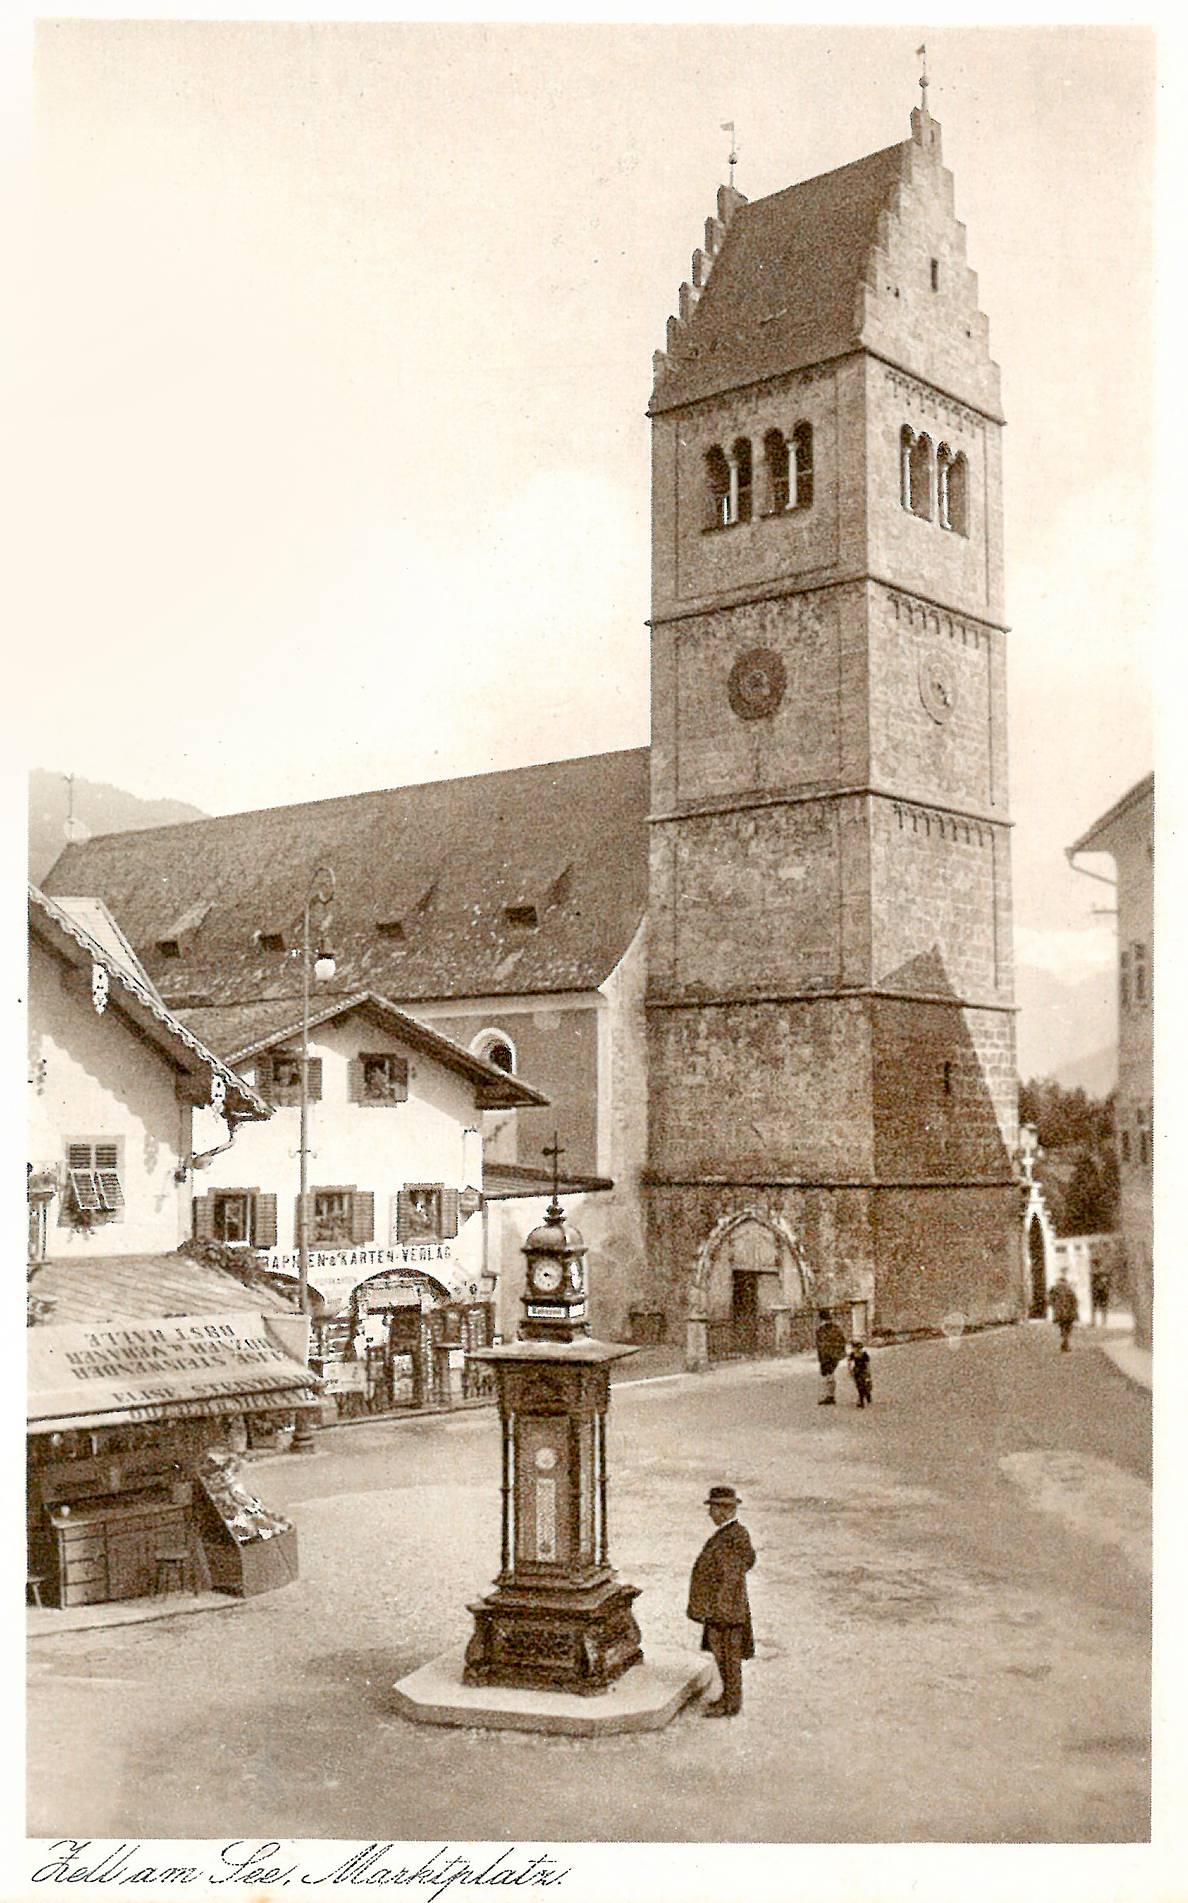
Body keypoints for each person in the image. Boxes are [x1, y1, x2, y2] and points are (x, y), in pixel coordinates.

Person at [686, 1485, 755, 1718]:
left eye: (713, 1509)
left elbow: (732, 1575)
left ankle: (730, 1704)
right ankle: (728, 1698)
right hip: (722, 1610)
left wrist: (720, 1612)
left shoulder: (734, 1537)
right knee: (724, 1656)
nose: (710, 1514)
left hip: (725, 1612)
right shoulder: (730, 1534)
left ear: (724, 1510)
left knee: (728, 1658)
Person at [815, 1309, 847, 1405]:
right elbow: (842, 1341)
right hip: (834, 1354)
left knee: (828, 1375)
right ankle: (830, 1395)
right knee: (830, 1374)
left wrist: (821, 1356)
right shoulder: (836, 1328)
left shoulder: (821, 1330)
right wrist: (841, 1353)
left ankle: (830, 1396)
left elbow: (820, 1345)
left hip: (827, 1355)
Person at [1048, 1271, 1078, 1352]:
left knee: (1062, 1328)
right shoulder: (1069, 1289)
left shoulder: (1054, 1289)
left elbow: (1049, 1301)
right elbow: (1074, 1301)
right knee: (1068, 1328)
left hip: (1059, 1313)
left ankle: (1064, 1342)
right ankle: (1065, 1343)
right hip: (1068, 1312)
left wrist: (1055, 1306)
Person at [848, 1341, 873, 1408]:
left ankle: (867, 1395)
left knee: (865, 1384)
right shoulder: (852, 1354)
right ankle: (861, 1399)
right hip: (856, 1371)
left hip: (863, 1371)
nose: (856, 1349)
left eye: (858, 1348)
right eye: (855, 1348)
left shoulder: (864, 1354)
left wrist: (868, 1372)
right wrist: (850, 1370)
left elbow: (867, 1364)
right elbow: (849, 1362)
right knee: (859, 1385)